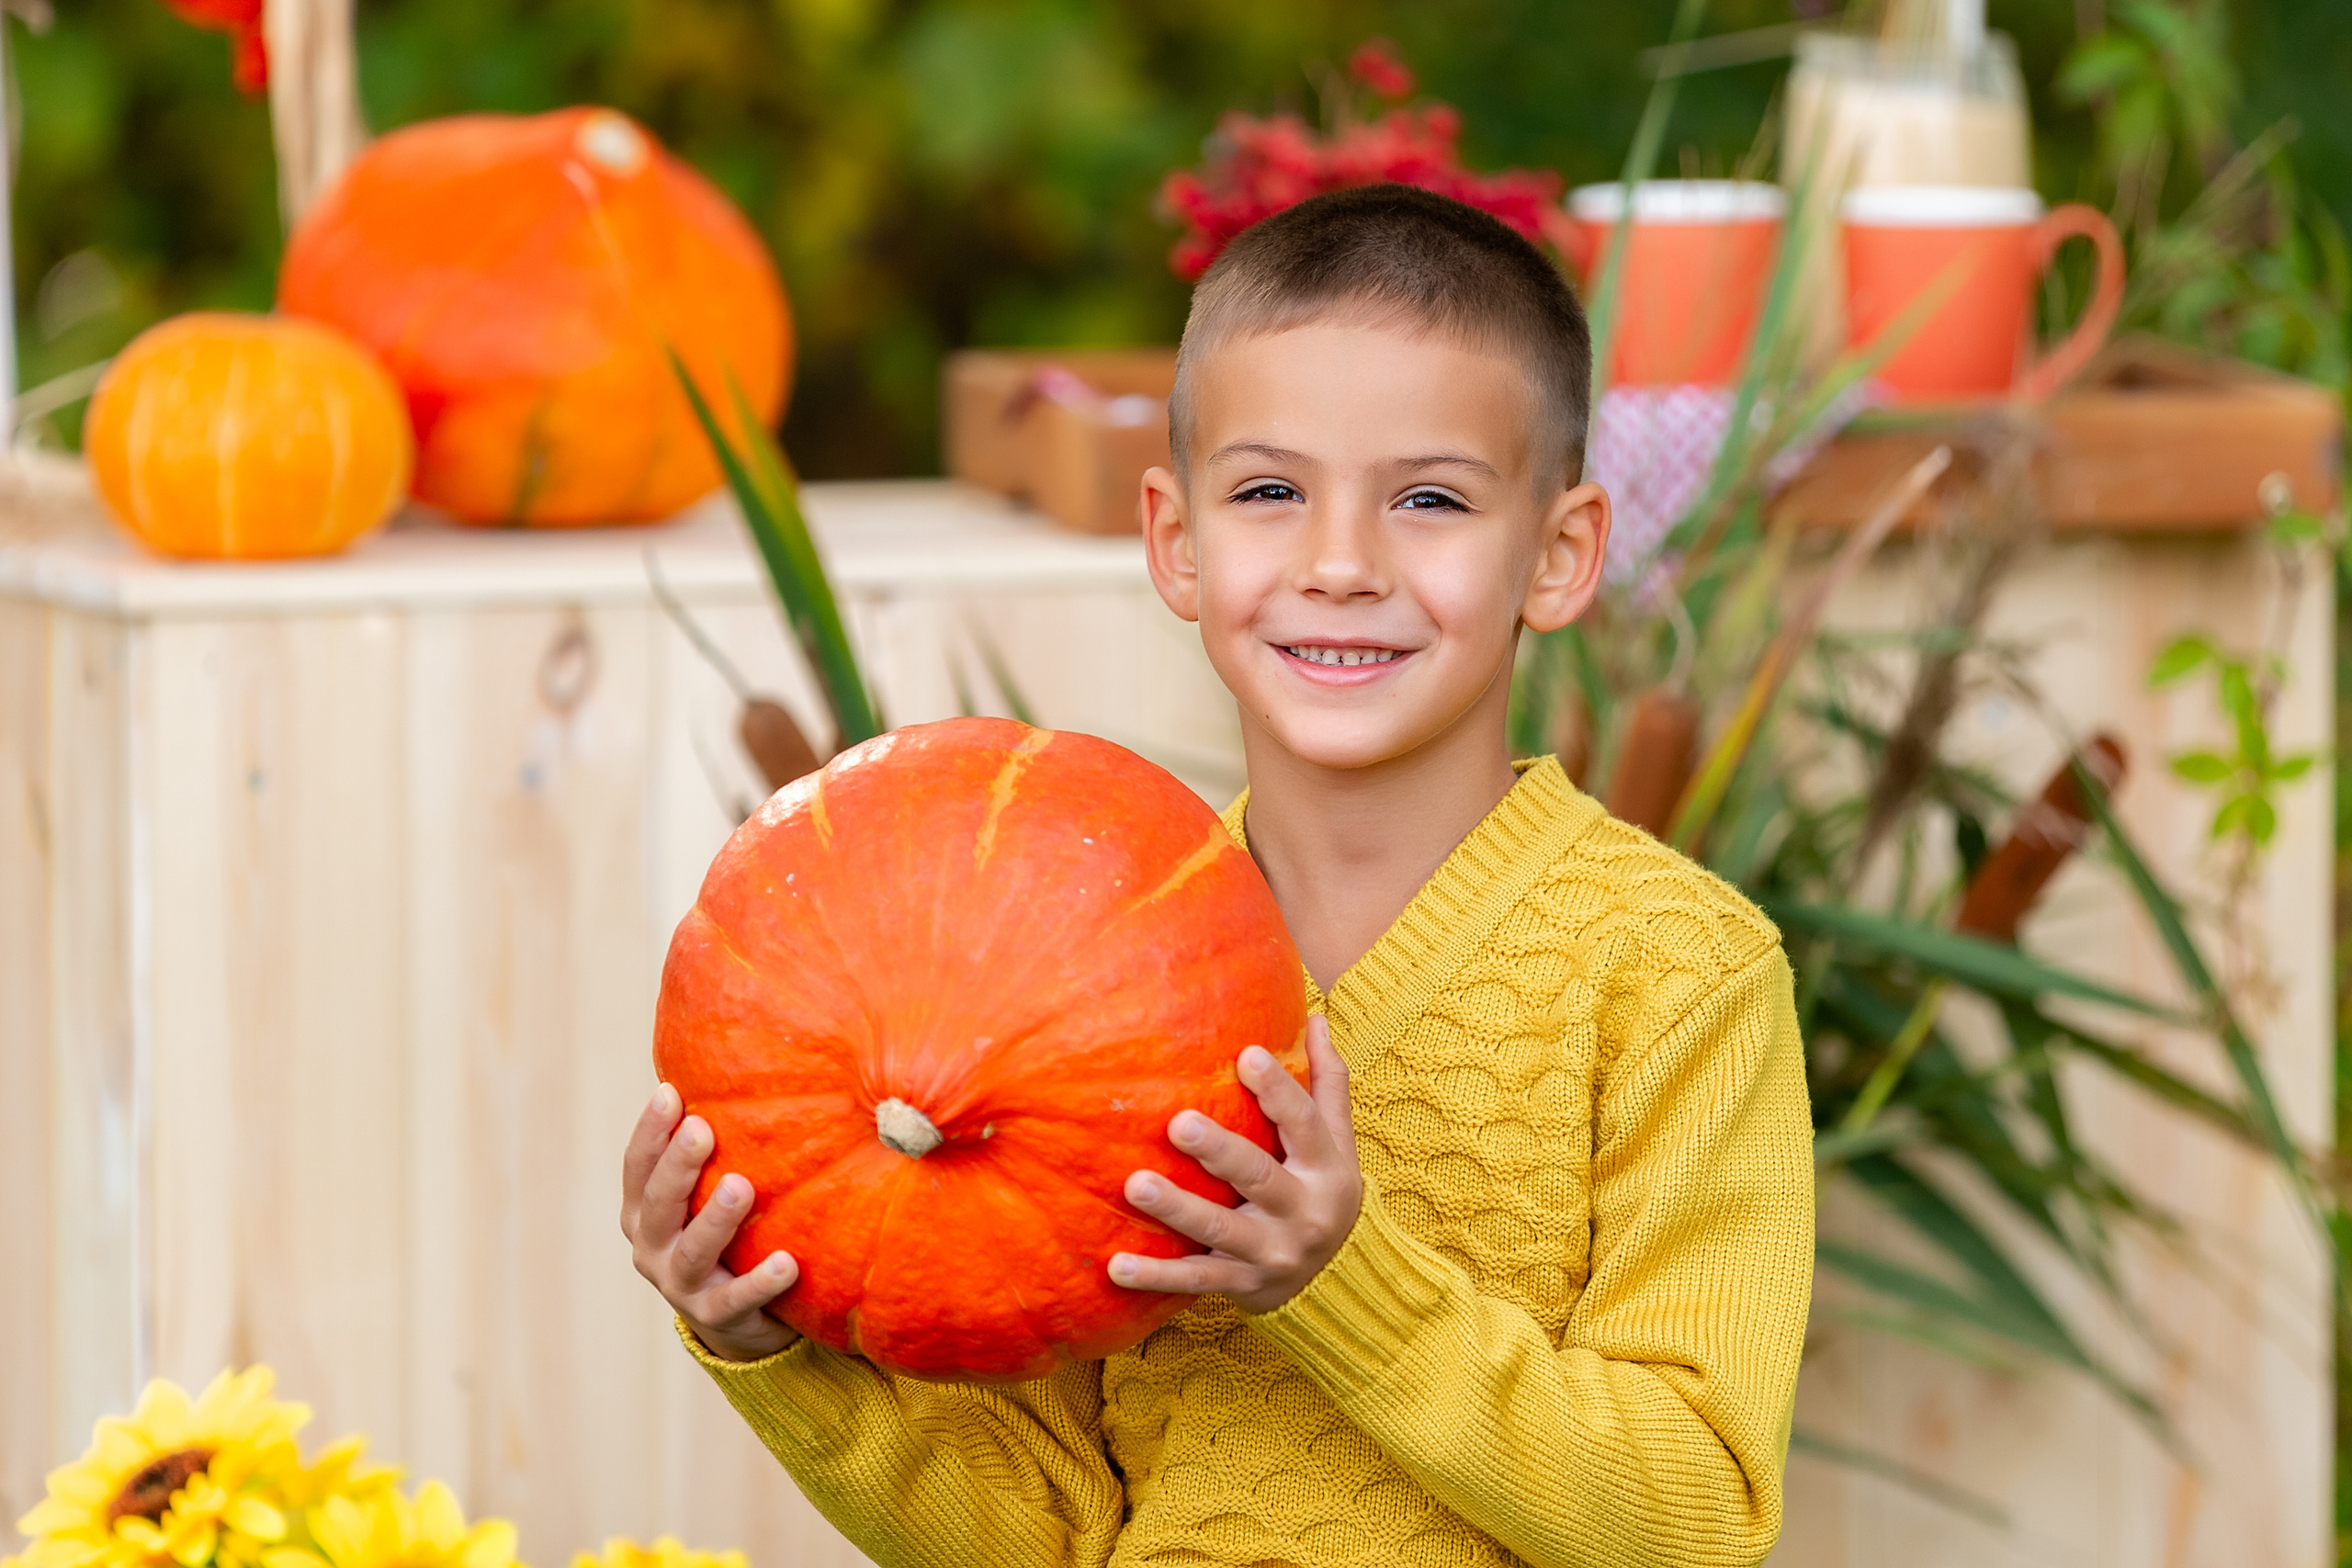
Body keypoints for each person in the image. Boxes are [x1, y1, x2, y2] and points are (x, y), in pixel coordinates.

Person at [619, 183, 1815, 1568]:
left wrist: (1337, 1282)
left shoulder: (1679, 974)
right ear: (1177, 543)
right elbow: (1051, 1532)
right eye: (1269, 493)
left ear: (1558, 556)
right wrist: (766, 1344)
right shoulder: (1074, 961)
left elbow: (1700, 1522)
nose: (1343, 563)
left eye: (1429, 498)